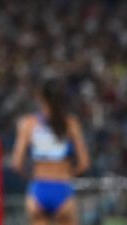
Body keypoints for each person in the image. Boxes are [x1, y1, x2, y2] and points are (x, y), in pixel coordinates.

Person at [11, 78, 90, 225]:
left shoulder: (28, 124)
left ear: (40, 97)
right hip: (62, 187)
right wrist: (69, 174)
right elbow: (84, 163)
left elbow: (16, 163)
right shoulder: (71, 124)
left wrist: (32, 176)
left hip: (39, 187)